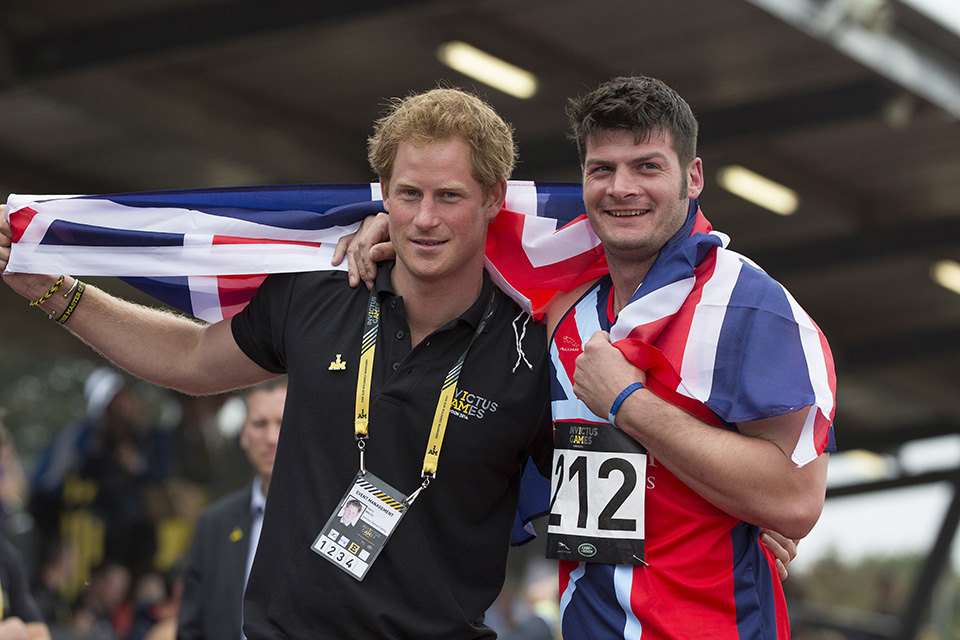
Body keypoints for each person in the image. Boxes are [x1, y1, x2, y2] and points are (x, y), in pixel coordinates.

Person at [0, 87, 553, 639]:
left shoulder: (537, 349)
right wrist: (56, 292)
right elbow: (190, 357)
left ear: (494, 197)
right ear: (382, 192)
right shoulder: (319, 291)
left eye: (449, 196)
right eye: (409, 194)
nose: (425, 219)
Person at [340, 76, 833, 638]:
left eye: (648, 166)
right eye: (602, 170)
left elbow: (795, 500)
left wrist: (627, 402)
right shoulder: (562, 310)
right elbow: (459, 225)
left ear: (692, 178)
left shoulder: (752, 310)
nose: (622, 187)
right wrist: (387, 223)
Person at [177, 378, 285, 640]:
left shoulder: (334, 517)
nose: (271, 438)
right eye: (260, 424)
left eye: (282, 422)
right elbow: (191, 628)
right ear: (244, 433)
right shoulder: (214, 524)